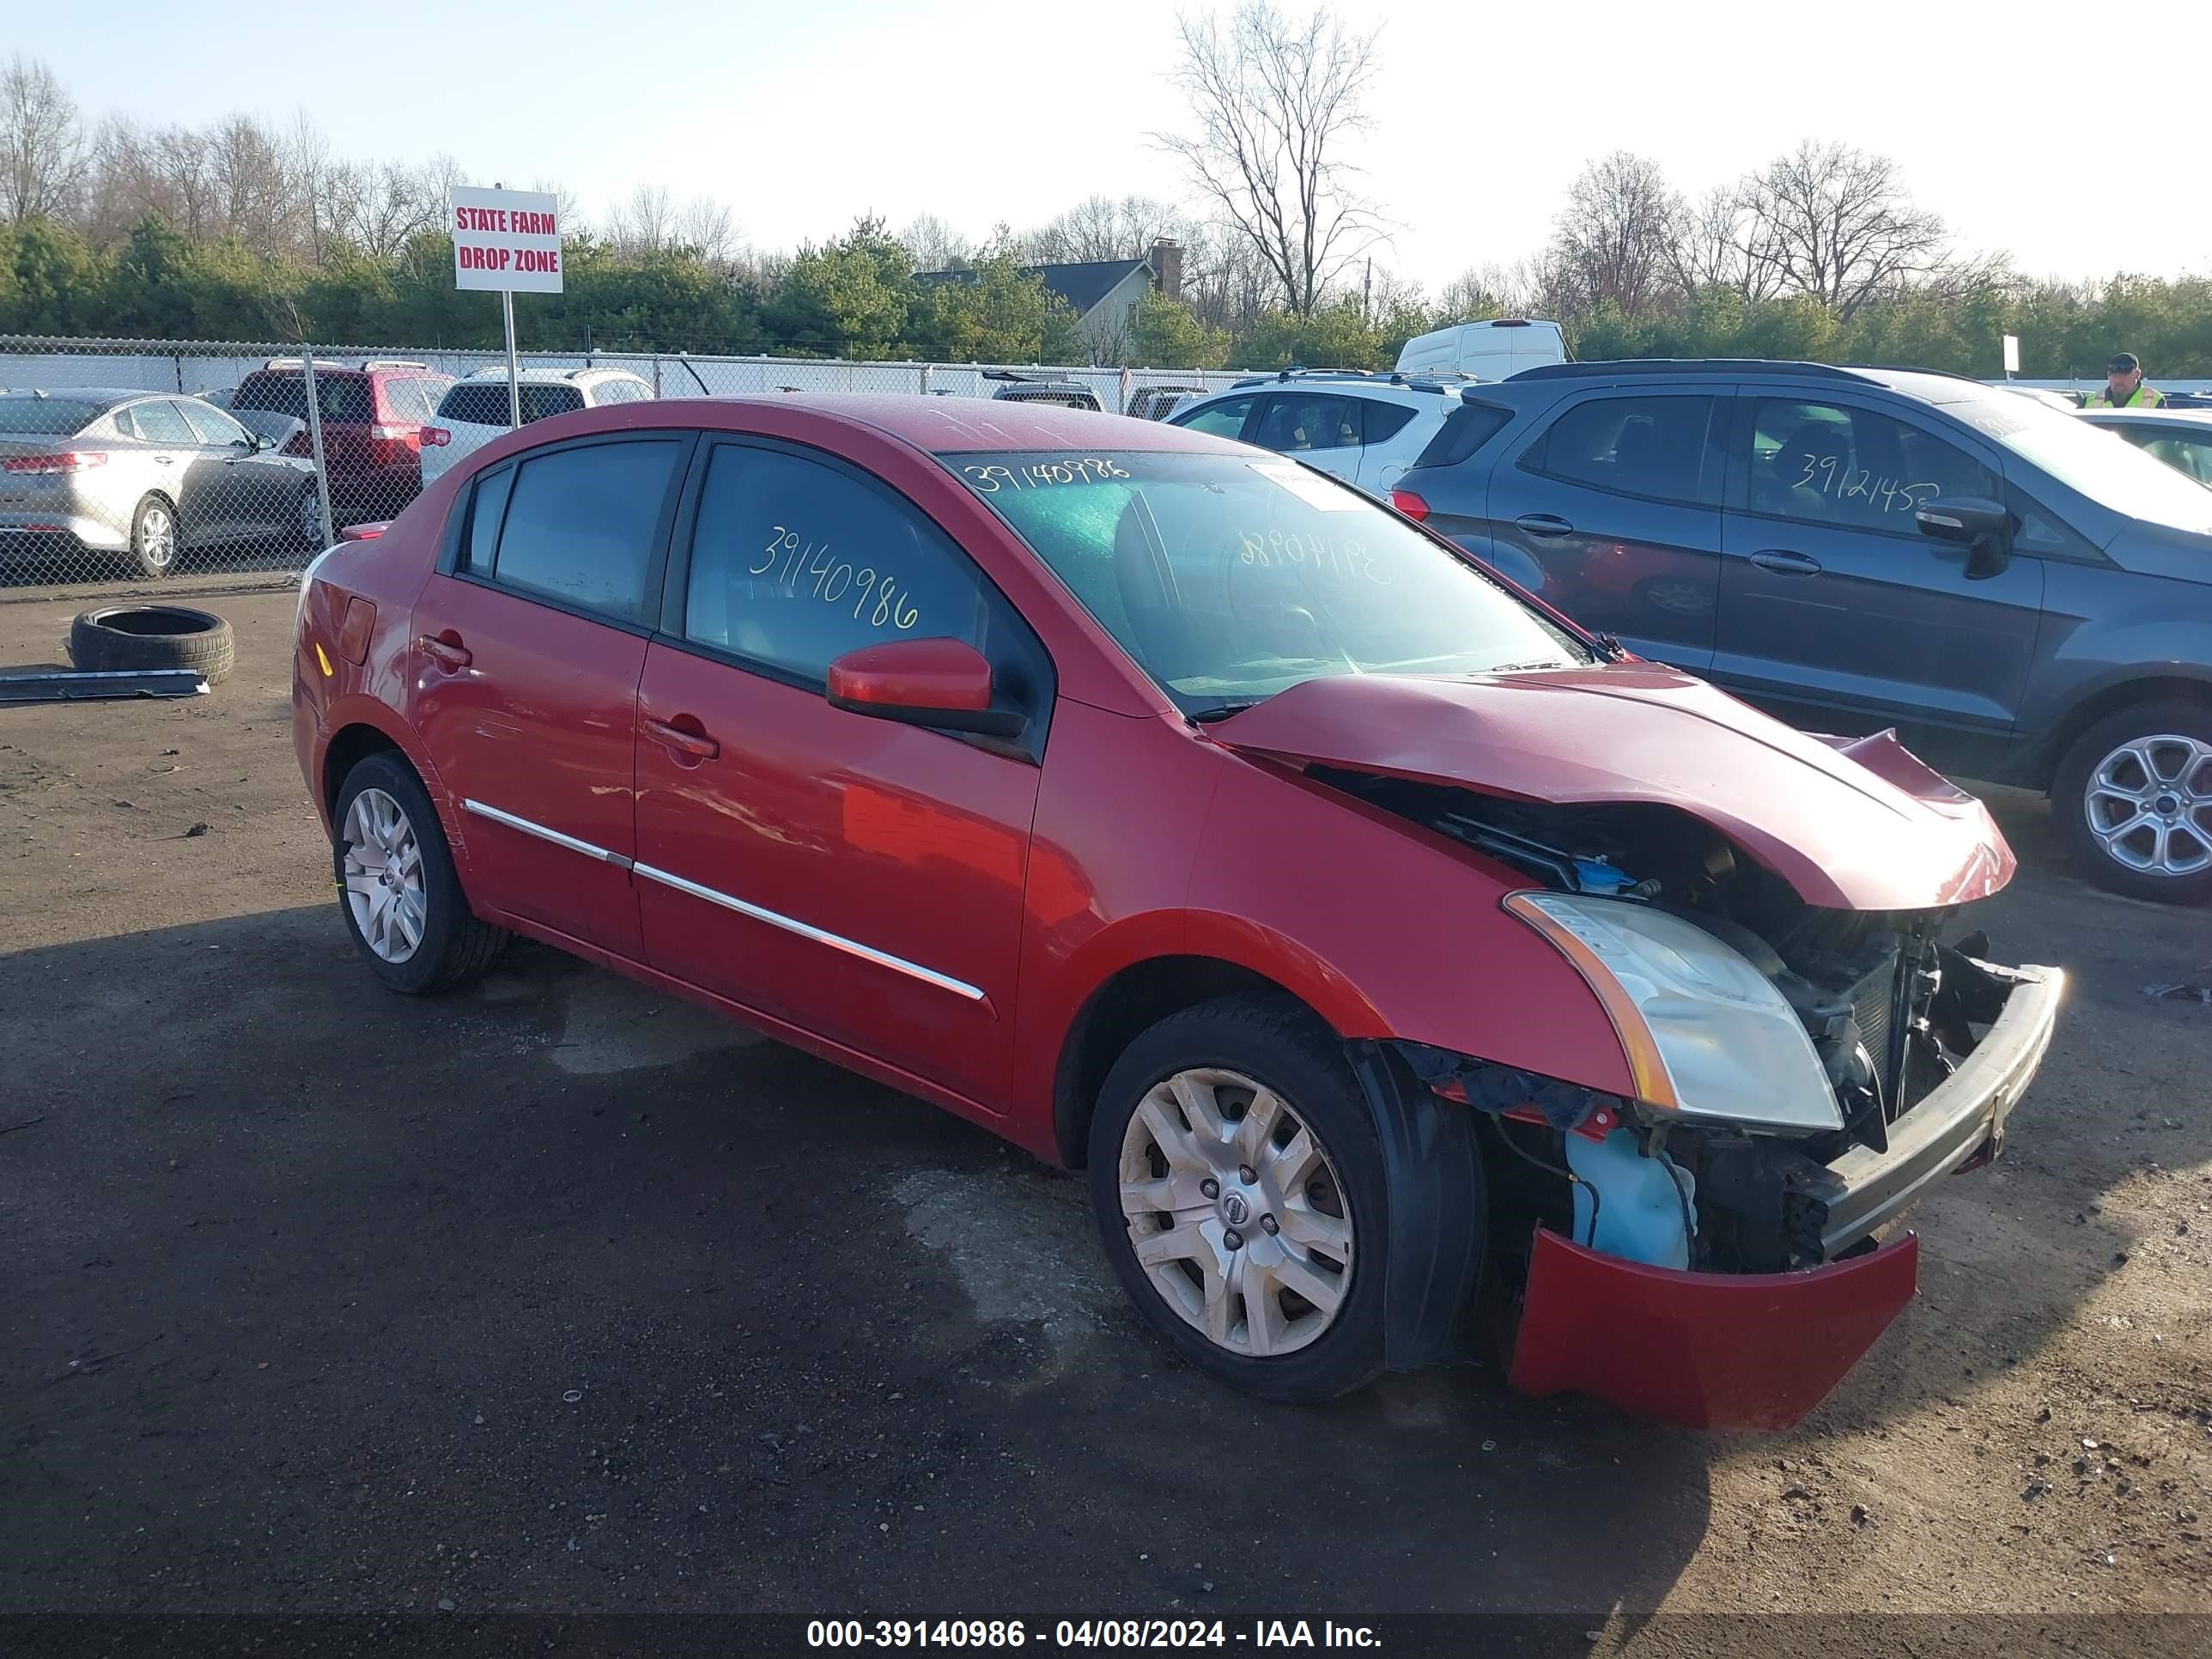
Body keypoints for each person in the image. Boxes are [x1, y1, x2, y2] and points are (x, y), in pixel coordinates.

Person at [2082, 352, 2164, 410]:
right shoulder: (2089, 401)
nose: (2118, 379)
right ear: (2108, 376)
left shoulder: (2154, 400)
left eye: (2124, 374)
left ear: (2137, 374)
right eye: (2115, 375)